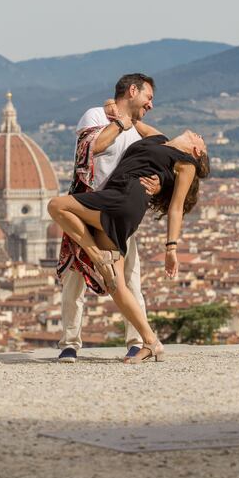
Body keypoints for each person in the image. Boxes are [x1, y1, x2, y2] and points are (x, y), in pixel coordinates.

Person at [48, 110, 210, 364]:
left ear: (197, 152)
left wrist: (171, 247)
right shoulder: (159, 139)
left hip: (124, 199)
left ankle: (95, 255)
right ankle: (151, 342)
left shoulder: (186, 164)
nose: (198, 135)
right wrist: (113, 107)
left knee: (57, 206)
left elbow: (176, 208)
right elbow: (133, 121)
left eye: (201, 140)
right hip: (117, 200)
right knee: (115, 285)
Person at [56, 73, 161, 364]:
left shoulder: (138, 130)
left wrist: (159, 184)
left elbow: (160, 156)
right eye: (148, 97)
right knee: (74, 278)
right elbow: (90, 149)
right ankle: (69, 343)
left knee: (130, 279)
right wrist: (118, 124)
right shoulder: (95, 115)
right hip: (87, 205)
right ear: (132, 91)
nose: (151, 104)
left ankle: (137, 340)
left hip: (120, 213)